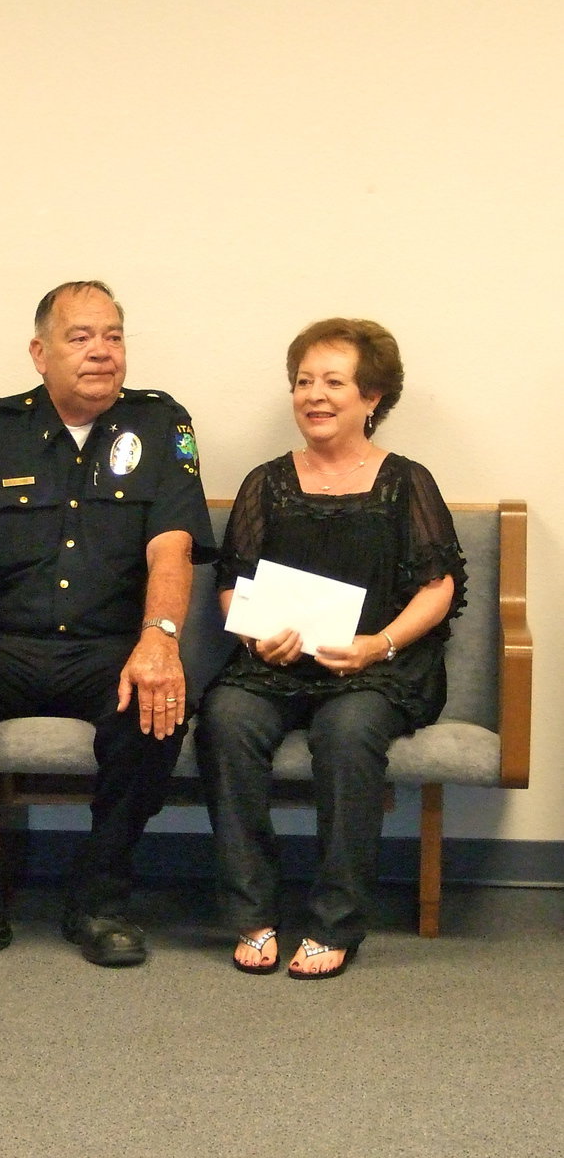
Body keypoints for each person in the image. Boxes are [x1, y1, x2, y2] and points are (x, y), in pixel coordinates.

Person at [0, 280, 214, 971]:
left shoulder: (161, 425)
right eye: (81, 337)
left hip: (107, 648)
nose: (102, 352)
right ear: (40, 353)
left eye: (114, 335)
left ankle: (101, 898)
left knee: (157, 706)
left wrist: (159, 639)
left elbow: (172, 546)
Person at [195, 318, 466, 980]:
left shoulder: (406, 481)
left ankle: (335, 921)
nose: (314, 395)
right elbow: (231, 587)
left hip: (380, 665)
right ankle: (253, 913)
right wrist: (256, 632)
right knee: (225, 719)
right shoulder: (267, 482)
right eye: (303, 382)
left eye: (333, 382)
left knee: (347, 732)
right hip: (277, 661)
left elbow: (439, 587)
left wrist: (379, 644)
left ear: (371, 398)